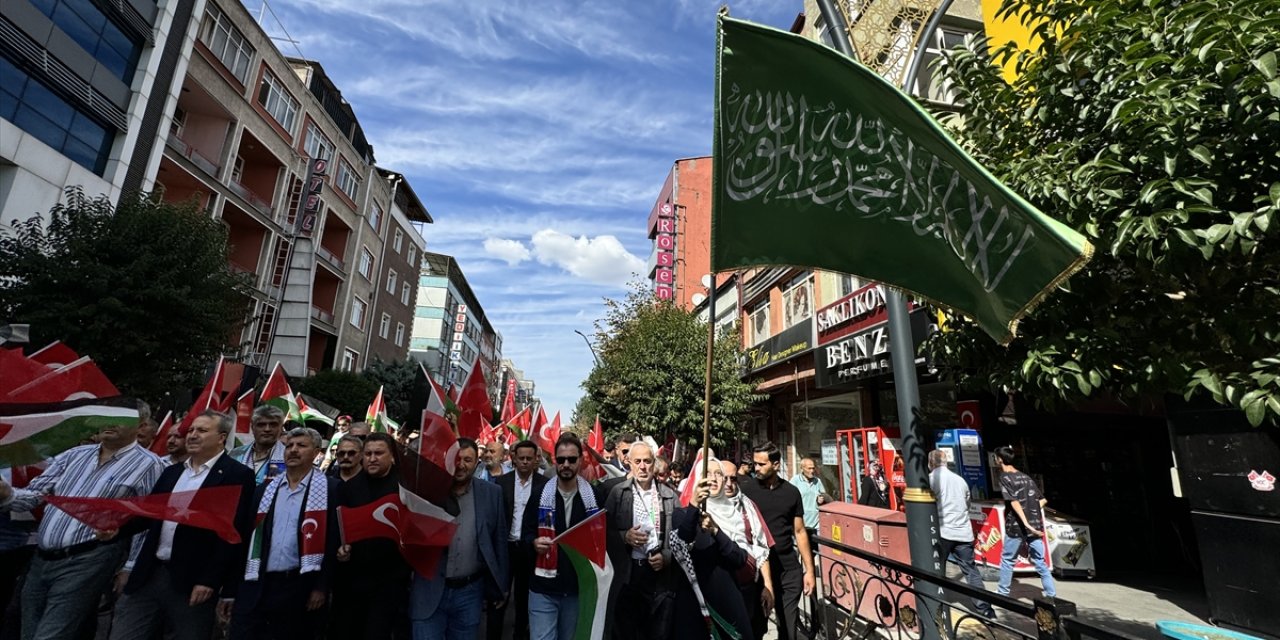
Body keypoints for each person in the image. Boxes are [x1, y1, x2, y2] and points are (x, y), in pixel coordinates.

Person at [0, 403, 165, 640]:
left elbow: (145, 521)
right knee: (28, 629)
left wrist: (130, 566)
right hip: (43, 557)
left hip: (90, 558)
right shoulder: (73, 455)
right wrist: (8, 494)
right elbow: (34, 496)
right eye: (105, 417)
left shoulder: (150, 465)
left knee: (52, 633)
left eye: (119, 418)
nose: (109, 423)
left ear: (141, 425)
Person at [109, 411, 256, 640]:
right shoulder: (172, 472)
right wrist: (118, 529)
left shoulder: (236, 475)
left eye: (202, 430)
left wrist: (210, 580)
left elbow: (231, 534)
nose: (193, 435)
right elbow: (150, 514)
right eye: (192, 430)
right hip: (150, 572)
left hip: (192, 580)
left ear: (221, 437)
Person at [224, 427, 340, 640]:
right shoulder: (264, 491)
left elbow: (332, 541)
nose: (293, 450)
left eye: (301, 446)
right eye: (289, 446)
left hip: (298, 586)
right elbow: (246, 538)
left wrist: (321, 586)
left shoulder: (331, 490)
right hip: (257, 584)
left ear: (316, 453)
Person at [410, 438, 508, 640]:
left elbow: (499, 540)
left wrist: (501, 585)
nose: (461, 465)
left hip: (470, 593)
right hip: (428, 590)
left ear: (476, 463)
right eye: (456, 459)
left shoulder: (492, 493)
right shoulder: (425, 490)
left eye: (467, 460)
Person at [333, 433, 409, 640]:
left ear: (392, 456)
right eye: (368, 454)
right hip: (354, 579)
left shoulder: (406, 487)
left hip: (392, 580)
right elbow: (337, 528)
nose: (372, 458)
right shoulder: (348, 488)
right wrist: (340, 549)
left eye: (378, 453)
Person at [526, 433, 599, 640]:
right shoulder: (540, 495)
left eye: (571, 459)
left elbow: (601, 542)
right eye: (561, 460)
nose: (566, 464)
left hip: (578, 589)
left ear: (581, 461)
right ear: (554, 461)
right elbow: (526, 533)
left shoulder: (594, 498)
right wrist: (533, 542)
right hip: (543, 589)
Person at [738, 442, 814, 640]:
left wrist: (809, 571)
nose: (757, 468)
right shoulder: (746, 492)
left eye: (762, 464)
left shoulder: (791, 492)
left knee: (789, 628)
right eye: (755, 464)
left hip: (788, 569)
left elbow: (799, 531)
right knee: (757, 627)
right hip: (758, 571)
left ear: (776, 464)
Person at [603, 442, 677, 639]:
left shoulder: (669, 495)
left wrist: (666, 557)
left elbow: (681, 539)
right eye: (638, 461)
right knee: (625, 632)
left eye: (647, 461)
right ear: (629, 463)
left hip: (658, 577)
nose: (643, 466)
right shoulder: (618, 493)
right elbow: (603, 533)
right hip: (627, 574)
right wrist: (624, 536)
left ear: (654, 464)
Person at [670, 476, 753, 639]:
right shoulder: (682, 513)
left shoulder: (734, 514)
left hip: (727, 600)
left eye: (718, 474)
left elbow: (740, 558)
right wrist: (694, 506)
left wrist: (716, 530)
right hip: (695, 601)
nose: (714, 479)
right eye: (708, 473)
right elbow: (682, 540)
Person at [706, 459, 774, 635]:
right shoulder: (703, 510)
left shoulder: (748, 507)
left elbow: (760, 548)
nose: (728, 484)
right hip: (718, 592)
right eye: (723, 477)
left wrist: (768, 586)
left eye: (733, 479)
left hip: (747, 587)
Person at [489, 440, 548, 640]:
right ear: (513, 458)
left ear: (535, 461)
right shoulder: (501, 482)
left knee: (523, 600)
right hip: (505, 548)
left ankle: (520, 635)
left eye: (528, 459)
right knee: (498, 597)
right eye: (520, 458)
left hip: (528, 549)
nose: (524, 462)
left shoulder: (544, 485)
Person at [927, 450, 996, 618]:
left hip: (943, 531)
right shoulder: (960, 480)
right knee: (971, 571)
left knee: (937, 567)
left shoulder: (931, 479)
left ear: (931, 463)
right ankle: (986, 609)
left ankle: (937, 603)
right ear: (946, 462)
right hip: (963, 532)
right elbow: (967, 502)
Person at [994, 446, 1056, 600]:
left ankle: (1002, 593)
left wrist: (1025, 521)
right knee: (1040, 562)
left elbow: (1014, 502)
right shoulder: (1026, 477)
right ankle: (1051, 595)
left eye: (996, 458)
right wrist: (1031, 513)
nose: (995, 460)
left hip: (1017, 526)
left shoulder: (1004, 477)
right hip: (1035, 525)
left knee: (1008, 559)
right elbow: (1042, 500)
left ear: (1000, 459)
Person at [229, 406, 286, 485]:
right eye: (261, 425)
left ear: (281, 428)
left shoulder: (289, 456)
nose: (267, 429)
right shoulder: (235, 454)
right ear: (252, 428)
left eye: (273, 425)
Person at [790, 458, 831, 542]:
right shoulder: (795, 481)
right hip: (801, 522)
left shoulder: (817, 481)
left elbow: (824, 496)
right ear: (802, 468)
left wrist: (821, 499)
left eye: (813, 468)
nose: (812, 471)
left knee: (817, 549)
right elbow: (788, 499)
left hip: (816, 523)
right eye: (809, 468)